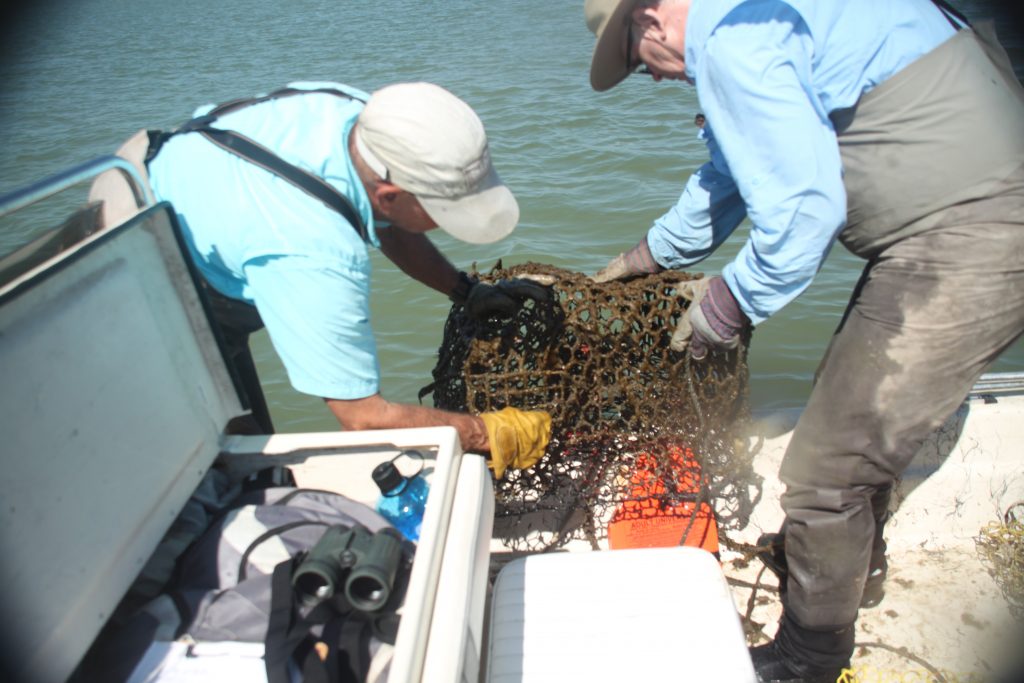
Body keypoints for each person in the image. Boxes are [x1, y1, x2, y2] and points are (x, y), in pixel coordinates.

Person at [583, 1, 1024, 681]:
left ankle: (807, 659)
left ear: (650, 18)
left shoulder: (733, 40)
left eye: (637, 62)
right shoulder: (758, 16)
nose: (653, 79)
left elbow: (806, 216)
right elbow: (727, 180)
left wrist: (720, 310)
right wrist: (642, 260)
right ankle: (854, 571)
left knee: (824, 471)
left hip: (976, 232)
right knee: (845, 413)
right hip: (958, 220)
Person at [89, 80, 552, 480]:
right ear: (390, 193)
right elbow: (363, 417)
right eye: (443, 212)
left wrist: (466, 292)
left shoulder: (363, 117)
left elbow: (387, 222)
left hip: (176, 181)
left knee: (248, 440)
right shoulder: (313, 249)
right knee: (236, 458)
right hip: (141, 270)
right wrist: (483, 432)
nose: (450, 222)